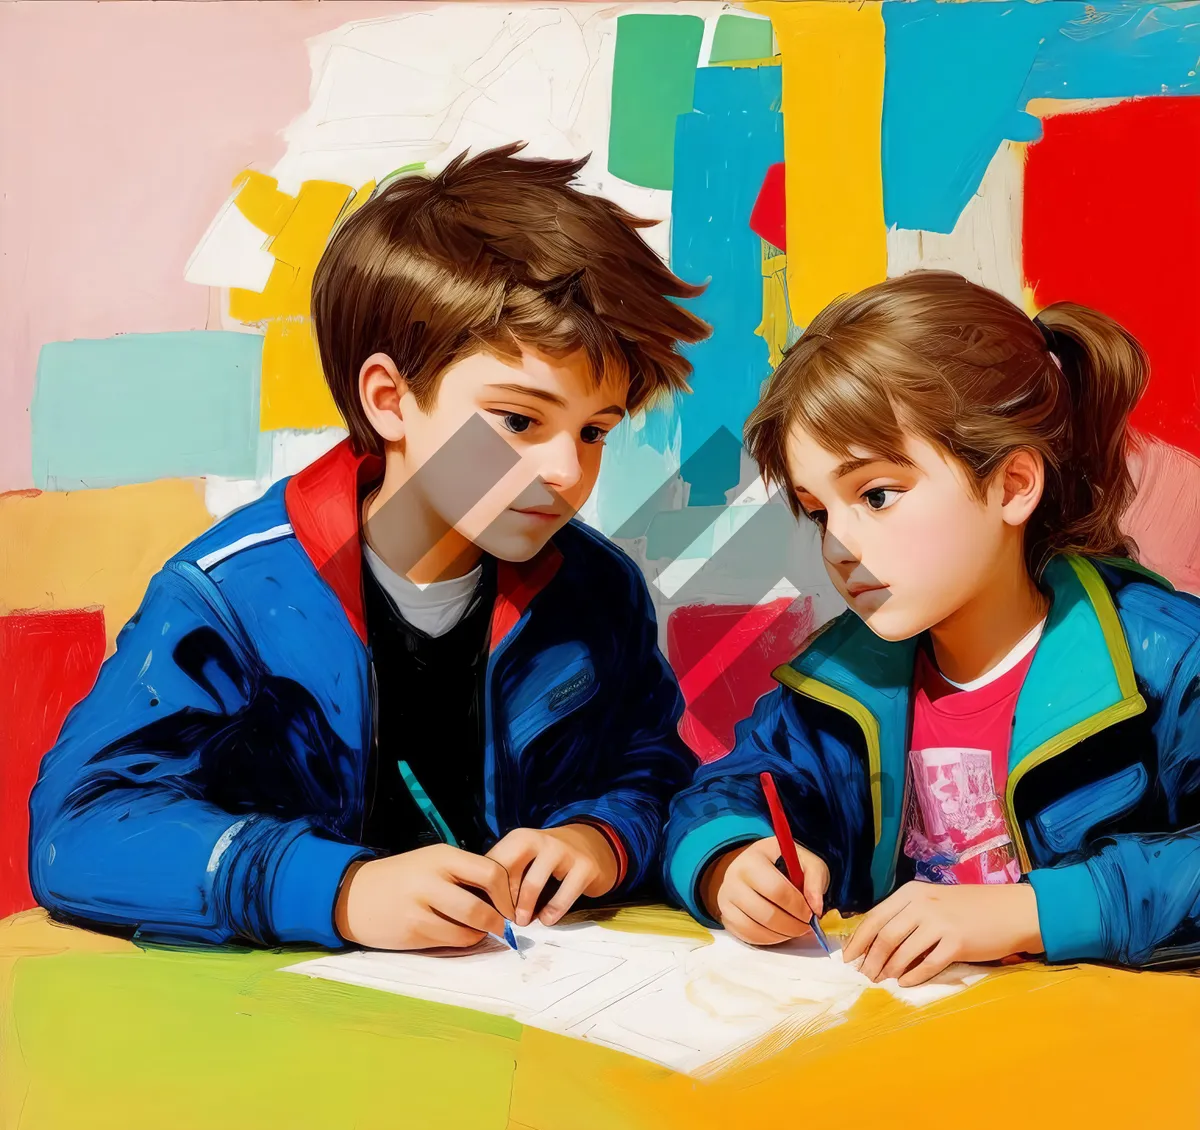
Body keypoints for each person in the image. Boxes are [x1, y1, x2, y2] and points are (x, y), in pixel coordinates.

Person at [30, 144, 705, 951]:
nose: (566, 470)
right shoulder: (230, 595)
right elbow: (82, 830)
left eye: (594, 430)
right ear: (389, 400)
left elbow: (654, 771)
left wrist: (598, 840)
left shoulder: (598, 589)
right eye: (519, 421)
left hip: (531, 1017)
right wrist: (338, 890)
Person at [664, 270, 1200, 981]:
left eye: (876, 495)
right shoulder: (837, 681)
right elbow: (725, 790)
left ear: (1012, 486)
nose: (839, 547)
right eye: (820, 511)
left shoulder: (1165, 659)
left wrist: (1032, 912)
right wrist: (732, 860)